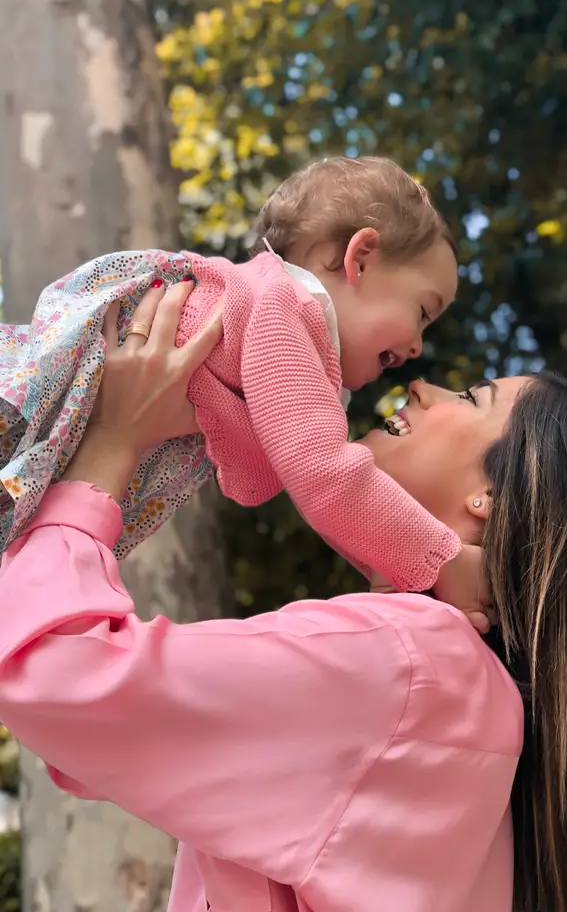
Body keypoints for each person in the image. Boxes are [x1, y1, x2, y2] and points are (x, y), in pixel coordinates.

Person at [0, 282, 564, 912]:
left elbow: (56, 674)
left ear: (491, 501)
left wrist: (109, 444)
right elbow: (114, 739)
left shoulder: (406, 658)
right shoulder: (468, 698)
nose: (421, 387)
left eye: (471, 397)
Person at [0, 156, 477, 616]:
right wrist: (445, 560)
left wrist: (401, 568)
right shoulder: (286, 307)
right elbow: (327, 477)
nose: (417, 348)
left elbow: (332, 499)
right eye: (421, 312)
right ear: (362, 259)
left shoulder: (284, 337)